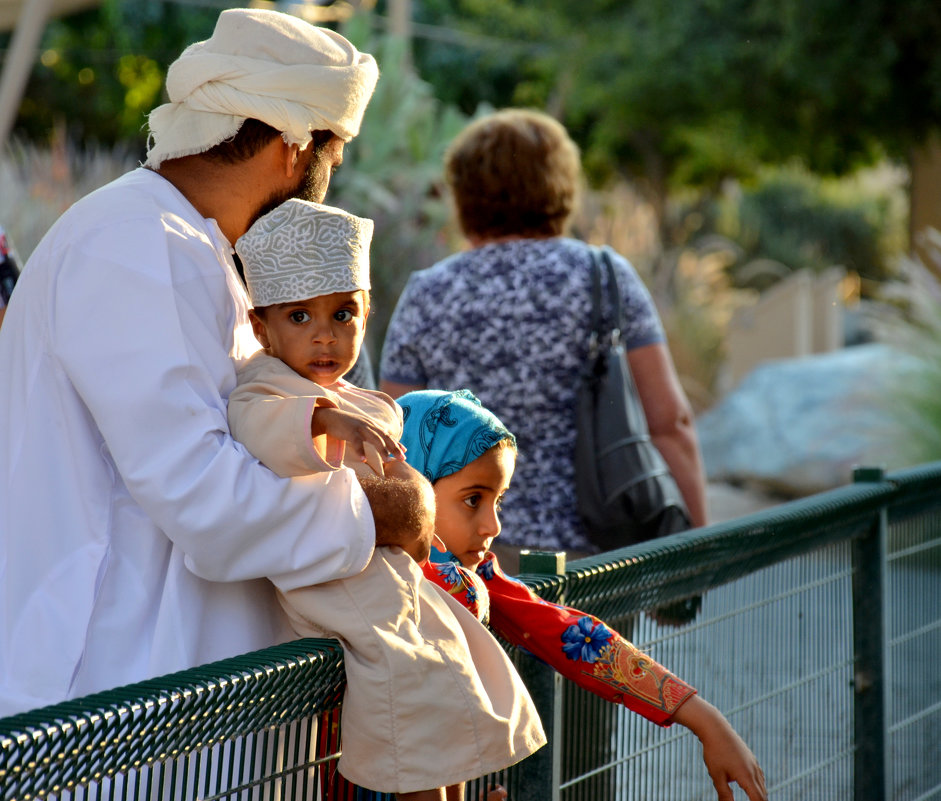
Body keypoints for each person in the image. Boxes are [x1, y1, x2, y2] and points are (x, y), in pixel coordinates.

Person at [0, 8, 426, 718]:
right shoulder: (132, 241)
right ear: (294, 147)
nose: (332, 175)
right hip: (115, 710)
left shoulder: (187, 243)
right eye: (333, 154)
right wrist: (374, 512)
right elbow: (205, 499)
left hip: (174, 708)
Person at [227, 198, 545, 800]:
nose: (324, 335)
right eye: (299, 317)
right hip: (329, 571)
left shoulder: (362, 399)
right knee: (407, 671)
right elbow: (255, 424)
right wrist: (327, 422)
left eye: (342, 314)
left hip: (386, 571)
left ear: (365, 318)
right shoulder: (266, 386)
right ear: (261, 327)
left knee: (451, 649)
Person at [379, 108, 708, 573]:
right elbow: (670, 421)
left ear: (464, 193)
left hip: (459, 562)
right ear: (560, 187)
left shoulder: (429, 291)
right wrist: (695, 547)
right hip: (595, 561)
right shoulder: (604, 276)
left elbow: (396, 434)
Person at [398, 389, 768, 801]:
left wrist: (706, 720)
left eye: (498, 501)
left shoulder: (472, 580)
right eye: (473, 500)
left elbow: (576, 638)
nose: (493, 526)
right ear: (413, 484)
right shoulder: (370, 574)